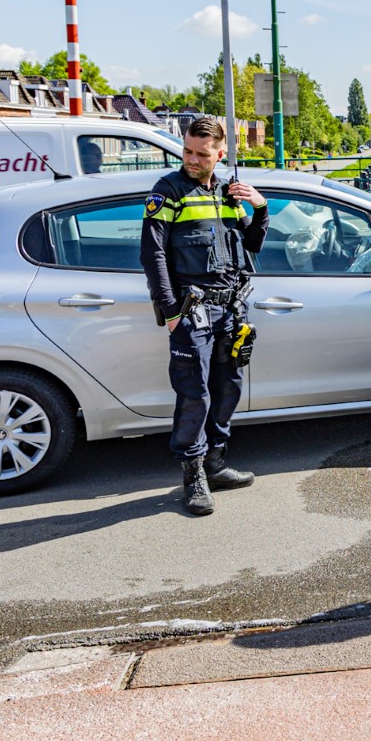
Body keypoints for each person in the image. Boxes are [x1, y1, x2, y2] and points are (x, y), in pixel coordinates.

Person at [140, 117, 269, 515]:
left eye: (201, 153)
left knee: (229, 385)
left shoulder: (229, 193)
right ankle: (193, 474)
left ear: (220, 152)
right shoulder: (168, 190)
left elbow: (253, 243)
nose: (192, 160)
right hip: (193, 309)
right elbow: (153, 253)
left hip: (231, 307)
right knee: (194, 393)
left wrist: (259, 206)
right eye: (187, 151)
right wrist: (170, 310)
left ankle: (216, 463)